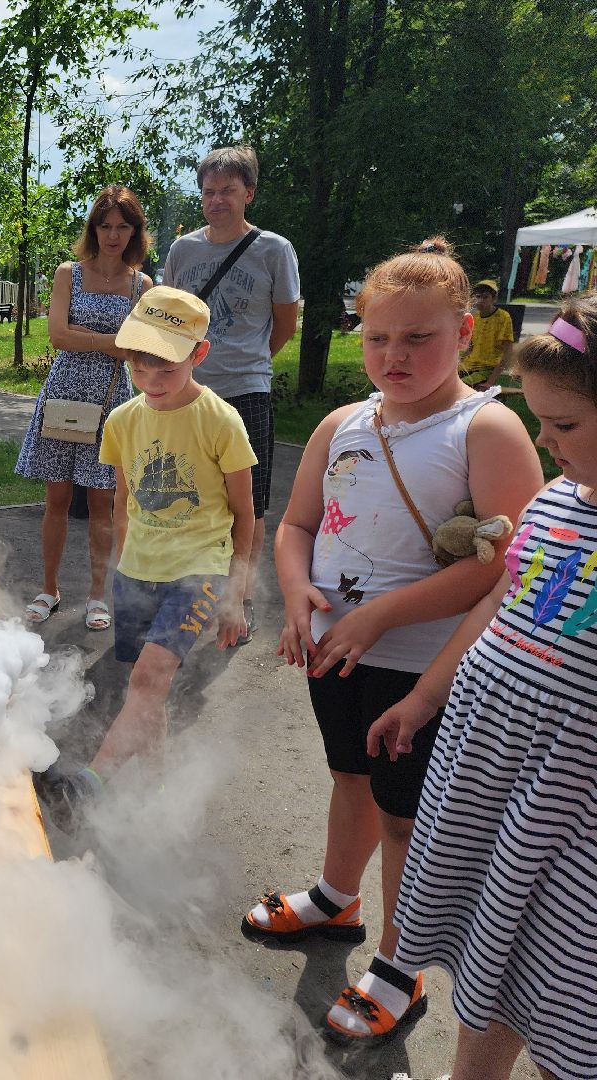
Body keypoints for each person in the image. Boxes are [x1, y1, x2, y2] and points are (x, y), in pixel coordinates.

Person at [238, 238, 543, 1046]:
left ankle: (400, 969)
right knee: (350, 779)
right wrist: (296, 593)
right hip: (336, 651)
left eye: (418, 338)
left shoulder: (487, 428)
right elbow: (297, 525)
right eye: (377, 337)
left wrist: (380, 616)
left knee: (406, 817)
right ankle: (336, 899)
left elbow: (508, 568)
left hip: (424, 667)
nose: (394, 355)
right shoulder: (342, 422)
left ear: (465, 331)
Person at [371, 296, 597, 1080]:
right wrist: (424, 697)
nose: (544, 440)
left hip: (567, 815)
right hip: (490, 784)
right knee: (493, 955)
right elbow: (500, 601)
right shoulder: (557, 500)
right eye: (538, 419)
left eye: (564, 424)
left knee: (566, 983)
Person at [86, 285, 255, 773]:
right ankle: (154, 788)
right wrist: (123, 566)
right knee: (149, 687)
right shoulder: (122, 420)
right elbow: (123, 502)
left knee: (147, 678)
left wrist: (235, 594)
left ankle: (92, 780)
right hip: (137, 571)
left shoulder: (221, 421)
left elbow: (245, 513)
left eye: (166, 369)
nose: (151, 381)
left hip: (198, 570)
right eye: (139, 369)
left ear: (198, 354)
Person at [162, 146, 300, 643]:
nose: (216, 200)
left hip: (246, 391)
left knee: (249, 504)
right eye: (208, 191)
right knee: (183, 497)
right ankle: (186, 591)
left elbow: (285, 322)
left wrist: (250, 361)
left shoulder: (273, 250)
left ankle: (237, 600)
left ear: (249, 194)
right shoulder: (183, 251)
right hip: (188, 393)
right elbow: (169, 317)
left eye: (227, 190)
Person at [15, 185, 153, 631]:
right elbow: (58, 336)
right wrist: (111, 342)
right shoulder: (67, 274)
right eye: (105, 226)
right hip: (65, 392)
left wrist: (89, 337)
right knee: (56, 498)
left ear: (135, 232)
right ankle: (49, 588)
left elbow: (137, 348)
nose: (113, 235)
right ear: (93, 229)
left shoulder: (142, 286)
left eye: (122, 227)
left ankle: (97, 595)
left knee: (103, 501)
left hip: (112, 401)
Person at [462, 279, 515, 389]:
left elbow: (507, 352)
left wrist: (491, 381)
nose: (480, 300)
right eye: (478, 297)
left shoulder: (503, 317)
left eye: (485, 297)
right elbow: (470, 346)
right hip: (468, 365)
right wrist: (459, 362)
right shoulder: (474, 318)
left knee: (460, 387)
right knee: (444, 381)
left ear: (494, 299)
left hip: (486, 368)